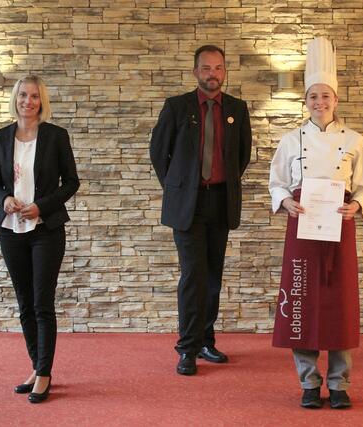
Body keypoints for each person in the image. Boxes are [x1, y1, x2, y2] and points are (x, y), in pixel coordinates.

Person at [269, 37, 363, 409]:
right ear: (305, 100)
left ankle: (340, 383)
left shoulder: (355, 141)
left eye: (326, 96)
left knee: (340, 305)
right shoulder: (290, 139)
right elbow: (276, 182)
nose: (320, 103)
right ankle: (309, 383)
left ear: (336, 99)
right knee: (302, 302)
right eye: (313, 96)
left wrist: (356, 206)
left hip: (339, 230)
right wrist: (285, 202)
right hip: (302, 230)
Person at [150, 45, 252, 376]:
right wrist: (180, 186)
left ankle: (207, 340)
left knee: (212, 276)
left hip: (220, 202)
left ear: (225, 72)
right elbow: (158, 153)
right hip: (188, 205)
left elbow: (242, 156)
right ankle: (188, 348)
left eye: (218, 68)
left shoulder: (237, 108)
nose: (212, 74)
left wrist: (221, 182)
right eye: (206, 68)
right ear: (195, 72)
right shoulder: (177, 107)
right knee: (193, 275)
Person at [0, 75, 80, 403]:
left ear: (42, 101)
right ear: (15, 98)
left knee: (42, 304)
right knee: (25, 304)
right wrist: (5, 199)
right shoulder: (0, 137)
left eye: (35, 96)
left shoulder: (56, 136)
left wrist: (41, 206)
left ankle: (44, 373)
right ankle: (36, 366)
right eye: (23, 95)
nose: (28, 101)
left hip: (46, 230)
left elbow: (71, 182)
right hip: (11, 231)